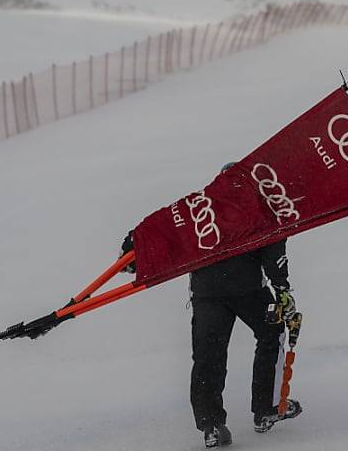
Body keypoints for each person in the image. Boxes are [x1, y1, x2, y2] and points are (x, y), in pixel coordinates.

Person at [119, 167, 302, 449]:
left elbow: (167, 226)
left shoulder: (200, 206)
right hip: (246, 289)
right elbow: (273, 249)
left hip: (208, 293)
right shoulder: (259, 209)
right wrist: (282, 290)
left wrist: (135, 247)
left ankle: (212, 425)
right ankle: (267, 408)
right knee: (271, 333)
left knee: (208, 357)